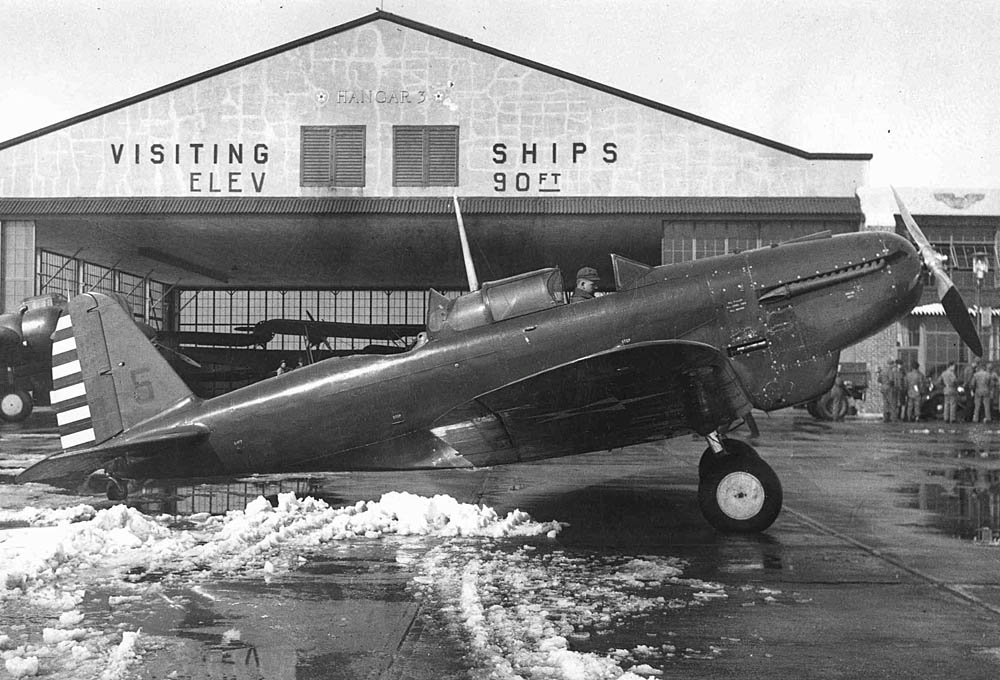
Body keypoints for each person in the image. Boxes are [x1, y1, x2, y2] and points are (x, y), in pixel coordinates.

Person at [877, 358, 901, 422]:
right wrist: (894, 388)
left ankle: (885, 418)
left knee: (885, 403)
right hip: (889, 388)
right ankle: (893, 418)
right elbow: (891, 380)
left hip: (883, 388)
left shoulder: (882, 371)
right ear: (891, 364)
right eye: (892, 364)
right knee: (892, 403)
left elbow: (879, 380)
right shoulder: (890, 371)